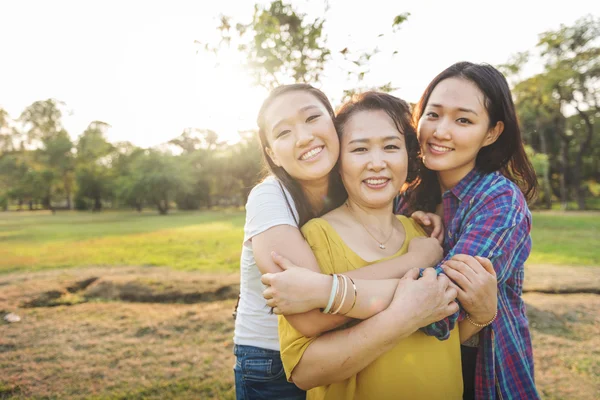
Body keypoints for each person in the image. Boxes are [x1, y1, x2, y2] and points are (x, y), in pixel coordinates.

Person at [263, 92, 496, 399]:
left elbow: (439, 334)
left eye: (391, 147)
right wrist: (403, 314)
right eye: (359, 149)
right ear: (339, 159)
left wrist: (481, 315)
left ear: (409, 156)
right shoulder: (315, 237)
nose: (377, 163)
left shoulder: (426, 234)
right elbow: (304, 371)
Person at [233, 84, 448, 400]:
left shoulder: (346, 183)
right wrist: (414, 268)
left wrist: (415, 216)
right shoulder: (270, 197)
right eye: (283, 133)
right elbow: (310, 312)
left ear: (333, 125)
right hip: (270, 358)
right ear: (271, 153)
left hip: (342, 346)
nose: (304, 136)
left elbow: (323, 287)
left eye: (312, 118)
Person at [402, 61, 540, 400]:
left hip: (480, 374)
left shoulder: (499, 200)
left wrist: (336, 292)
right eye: (433, 114)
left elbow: (438, 313)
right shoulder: (406, 196)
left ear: (491, 132)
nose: (440, 131)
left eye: (463, 120)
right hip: (410, 372)